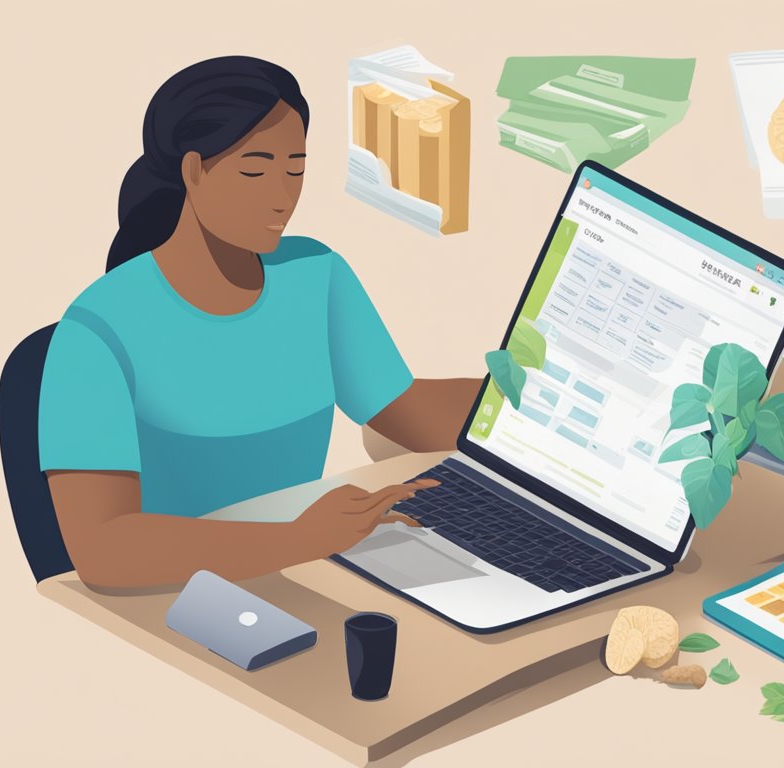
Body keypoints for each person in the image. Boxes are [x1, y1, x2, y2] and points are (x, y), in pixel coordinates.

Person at [38, 56, 480, 591]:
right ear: (193, 169)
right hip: (170, 599)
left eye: (296, 169)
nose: (283, 195)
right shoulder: (95, 332)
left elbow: (403, 411)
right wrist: (301, 539)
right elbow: (105, 552)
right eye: (256, 169)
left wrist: (528, 402)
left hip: (297, 575)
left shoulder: (315, 278)